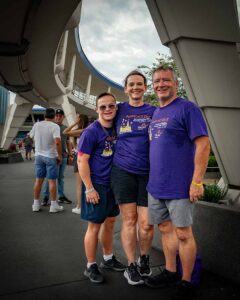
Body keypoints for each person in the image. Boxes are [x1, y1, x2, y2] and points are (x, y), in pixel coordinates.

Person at [144, 66, 210, 300]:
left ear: (175, 83)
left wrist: (197, 181)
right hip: (156, 185)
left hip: (180, 186)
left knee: (183, 233)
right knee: (165, 229)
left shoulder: (187, 108)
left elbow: (203, 144)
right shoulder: (156, 113)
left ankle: (187, 280)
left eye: (166, 80)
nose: (161, 84)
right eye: (157, 81)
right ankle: (171, 271)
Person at [110, 70, 156, 285]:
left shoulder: (154, 111)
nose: (136, 87)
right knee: (129, 220)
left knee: (146, 223)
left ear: (145, 87)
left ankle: (144, 259)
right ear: (126, 88)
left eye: (140, 84)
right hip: (123, 171)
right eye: (131, 84)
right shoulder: (118, 110)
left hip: (148, 173)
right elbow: (100, 121)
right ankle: (131, 265)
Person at [78, 92, 125, 284]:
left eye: (111, 106)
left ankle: (107, 258)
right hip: (96, 185)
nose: (107, 109)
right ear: (96, 109)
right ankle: (90, 265)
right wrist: (89, 188)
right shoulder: (91, 132)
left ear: (116, 108)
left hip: (112, 184)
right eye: (103, 106)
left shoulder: (117, 128)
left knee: (111, 222)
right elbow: (82, 160)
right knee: (94, 226)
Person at [30, 108, 64, 213]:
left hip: (39, 156)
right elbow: (57, 142)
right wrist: (59, 156)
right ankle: (53, 206)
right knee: (52, 181)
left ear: (44, 116)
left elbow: (31, 136)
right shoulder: (55, 126)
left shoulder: (37, 125)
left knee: (38, 180)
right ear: (54, 116)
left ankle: (35, 204)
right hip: (50, 156)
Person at [42, 108, 72, 206]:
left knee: (60, 177)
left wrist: (70, 154)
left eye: (60, 116)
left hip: (63, 156)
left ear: (63, 117)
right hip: (52, 157)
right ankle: (46, 197)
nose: (58, 117)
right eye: (57, 116)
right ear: (54, 117)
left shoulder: (65, 127)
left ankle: (61, 196)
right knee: (49, 178)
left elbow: (68, 142)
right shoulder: (51, 126)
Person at [63, 113, 89, 214]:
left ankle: (79, 207)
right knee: (86, 184)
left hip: (80, 158)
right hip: (84, 158)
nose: (75, 119)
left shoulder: (83, 131)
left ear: (80, 120)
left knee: (80, 185)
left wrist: (75, 123)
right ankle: (84, 206)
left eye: (77, 118)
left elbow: (65, 132)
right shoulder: (86, 130)